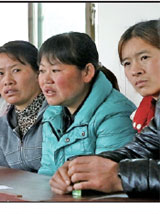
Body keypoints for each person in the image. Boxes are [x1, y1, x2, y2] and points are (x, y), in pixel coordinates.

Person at [49, 20, 160, 198]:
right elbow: (140, 148)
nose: (135, 71)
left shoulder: (114, 109)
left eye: (144, 58)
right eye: (127, 63)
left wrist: (120, 177)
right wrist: (78, 167)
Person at [37, 32, 136, 176]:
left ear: (87, 72)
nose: (46, 79)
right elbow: (47, 172)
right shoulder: (52, 113)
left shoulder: (116, 114)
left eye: (55, 70)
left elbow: (106, 179)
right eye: (41, 71)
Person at [0, 41, 47, 172]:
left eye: (16, 70)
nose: (7, 81)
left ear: (38, 72)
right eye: (0, 73)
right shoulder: (2, 125)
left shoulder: (57, 116)